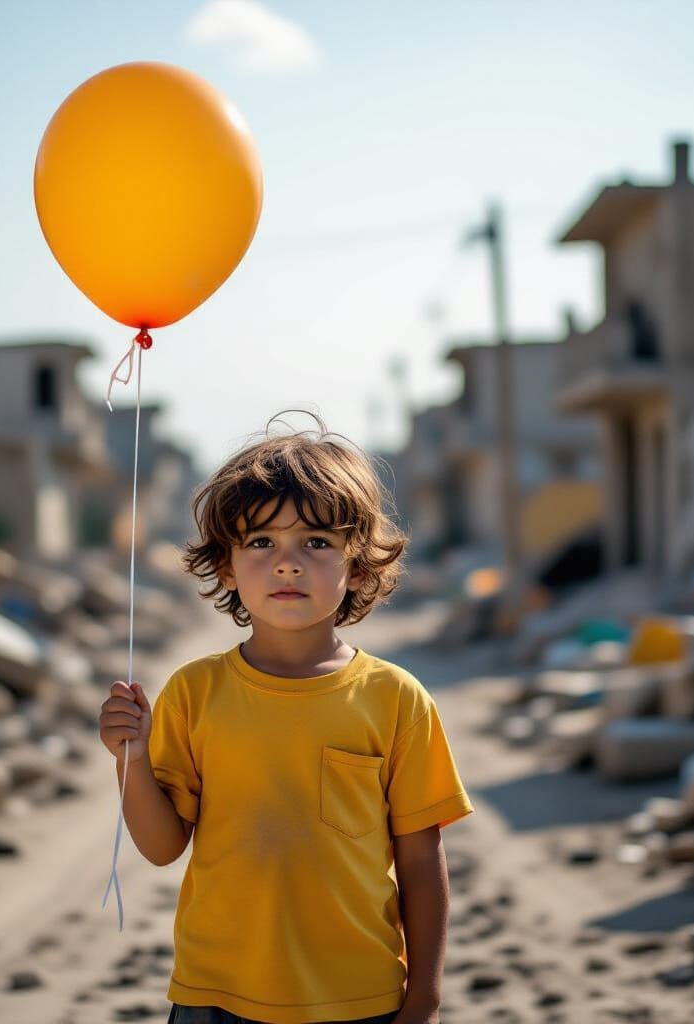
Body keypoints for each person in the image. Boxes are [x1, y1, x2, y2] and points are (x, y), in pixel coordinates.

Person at [98, 412, 474, 1024]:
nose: (287, 563)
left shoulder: (395, 698)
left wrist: (425, 1000)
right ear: (226, 566)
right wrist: (130, 759)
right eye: (261, 542)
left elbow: (420, 862)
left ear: (357, 565)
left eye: (316, 543)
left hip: (360, 997)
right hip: (216, 996)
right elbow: (163, 847)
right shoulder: (194, 692)